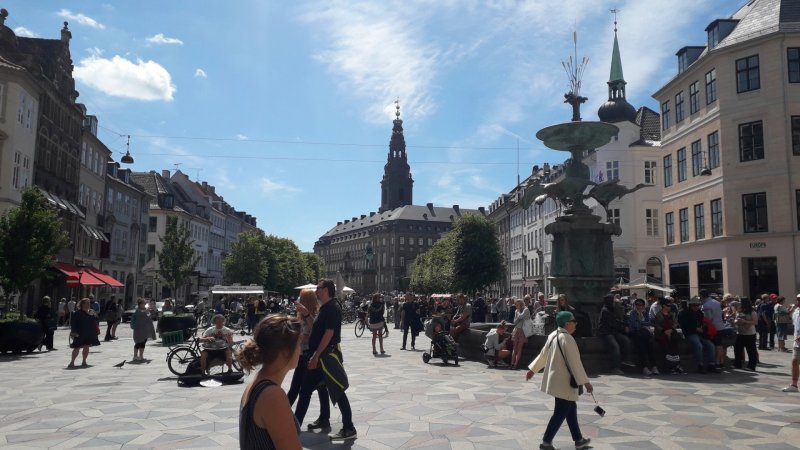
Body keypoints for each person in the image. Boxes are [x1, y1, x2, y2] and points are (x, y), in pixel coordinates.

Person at [294, 279, 357, 442]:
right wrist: (307, 314)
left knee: (338, 392)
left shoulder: (332, 308)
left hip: (326, 357)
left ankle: (349, 427)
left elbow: (328, 334)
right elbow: (317, 329)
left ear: (327, 290)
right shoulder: (325, 308)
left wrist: (315, 356)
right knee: (306, 390)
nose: (316, 291)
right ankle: (296, 426)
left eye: (318, 288)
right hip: (321, 357)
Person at [526, 311, 592, 450]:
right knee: (561, 412)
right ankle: (546, 442)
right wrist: (586, 382)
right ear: (567, 324)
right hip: (565, 382)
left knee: (570, 408)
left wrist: (533, 369)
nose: (576, 324)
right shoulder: (567, 339)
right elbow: (576, 363)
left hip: (556, 381)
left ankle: (579, 440)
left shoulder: (553, 335)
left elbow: (543, 355)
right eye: (574, 321)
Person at [238, 314, 303, 450]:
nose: (300, 350)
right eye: (298, 345)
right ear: (285, 352)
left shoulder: (257, 383)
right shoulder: (272, 395)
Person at [287, 289, 328, 411]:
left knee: (300, 389)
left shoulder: (313, 316)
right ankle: (324, 416)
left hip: (308, 355)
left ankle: (282, 414)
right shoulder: (303, 316)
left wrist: (295, 336)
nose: (299, 301)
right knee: (319, 387)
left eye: (301, 298)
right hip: (303, 355)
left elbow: (308, 336)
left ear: (306, 301)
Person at [678, 297, 718, 373]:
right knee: (699, 345)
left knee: (711, 346)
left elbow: (702, 323)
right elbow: (684, 325)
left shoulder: (699, 313)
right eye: (694, 305)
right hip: (690, 333)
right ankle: (699, 365)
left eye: (697, 305)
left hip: (700, 333)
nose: (696, 307)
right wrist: (695, 328)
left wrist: (703, 328)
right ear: (690, 305)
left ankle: (711, 364)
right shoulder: (684, 313)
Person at [597, 294, 632, 375]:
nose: (615, 302)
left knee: (626, 340)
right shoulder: (605, 310)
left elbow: (618, 320)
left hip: (613, 332)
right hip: (605, 332)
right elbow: (612, 323)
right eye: (613, 301)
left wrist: (624, 324)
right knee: (615, 346)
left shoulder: (612, 309)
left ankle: (626, 360)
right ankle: (615, 368)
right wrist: (623, 328)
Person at [628, 297, 658, 375]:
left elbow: (650, 323)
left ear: (643, 305)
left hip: (646, 334)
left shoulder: (645, 313)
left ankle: (654, 366)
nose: (639, 306)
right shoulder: (632, 313)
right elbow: (635, 325)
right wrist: (643, 323)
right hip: (637, 334)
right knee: (642, 347)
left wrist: (642, 323)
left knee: (651, 347)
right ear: (634, 305)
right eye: (637, 304)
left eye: (641, 305)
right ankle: (645, 367)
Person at [68, 298, 100, 368]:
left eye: (89, 303)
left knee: (87, 346)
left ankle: (84, 361)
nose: (89, 304)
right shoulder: (77, 313)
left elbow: (97, 319)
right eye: (87, 303)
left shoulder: (91, 312)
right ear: (82, 304)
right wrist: (73, 332)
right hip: (79, 333)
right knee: (77, 347)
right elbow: (73, 323)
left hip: (89, 332)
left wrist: (94, 314)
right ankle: (72, 362)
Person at [654, 301, 683, 374]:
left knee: (675, 343)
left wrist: (671, 330)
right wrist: (664, 331)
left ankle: (676, 365)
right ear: (663, 306)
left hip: (671, 332)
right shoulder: (658, 314)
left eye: (670, 306)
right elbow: (657, 326)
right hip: (662, 334)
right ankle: (670, 366)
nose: (669, 307)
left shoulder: (672, 314)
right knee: (666, 346)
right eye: (668, 306)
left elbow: (675, 323)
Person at [733, 297, 758, 371]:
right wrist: (736, 321)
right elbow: (735, 318)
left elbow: (755, 322)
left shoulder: (752, 312)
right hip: (740, 332)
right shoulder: (739, 311)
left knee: (751, 350)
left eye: (740, 302)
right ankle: (737, 364)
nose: (739, 303)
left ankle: (751, 366)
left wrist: (745, 321)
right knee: (737, 349)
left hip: (750, 334)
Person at [782, 294, 800, 392]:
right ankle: (794, 385)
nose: (798, 302)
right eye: (797, 299)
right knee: (795, 362)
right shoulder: (796, 312)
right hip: (797, 343)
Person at [511, 298, 531, 370]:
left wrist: (519, 312)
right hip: (516, 330)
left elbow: (520, 317)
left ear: (521, 304)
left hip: (523, 331)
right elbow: (514, 322)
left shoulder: (526, 309)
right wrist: (518, 315)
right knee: (514, 347)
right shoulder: (517, 311)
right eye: (516, 304)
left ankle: (515, 364)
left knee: (519, 348)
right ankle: (512, 363)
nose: (516, 306)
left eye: (517, 304)